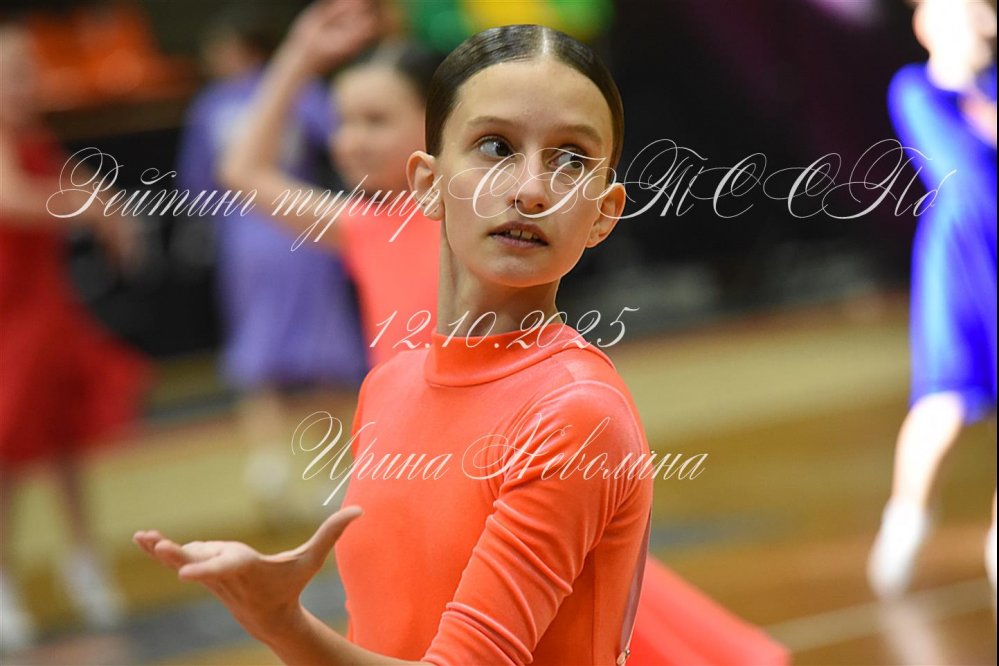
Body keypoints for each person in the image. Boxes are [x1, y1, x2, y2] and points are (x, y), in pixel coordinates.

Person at [135, 3, 654, 663]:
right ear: (427, 182)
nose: (530, 189)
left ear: (605, 212)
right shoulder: (386, 386)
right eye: (496, 146)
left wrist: (284, 625)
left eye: (571, 158)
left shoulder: (575, 415)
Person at [177, 4, 369, 505]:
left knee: (258, 353)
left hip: (247, 240)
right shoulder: (302, 92)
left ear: (241, 49)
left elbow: (199, 183)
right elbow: (347, 139)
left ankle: (268, 463)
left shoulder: (211, 105)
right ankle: (332, 471)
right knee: (324, 354)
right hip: (302, 226)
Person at [0, 23, 149, 652]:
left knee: (64, 444)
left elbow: (75, 184)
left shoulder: (31, 136)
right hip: (9, 317)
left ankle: (83, 561)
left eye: (29, 72)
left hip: (47, 310)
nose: (27, 83)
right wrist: (92, 211)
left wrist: (112, 209)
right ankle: (4, 581)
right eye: (14, 73)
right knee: (7, 450)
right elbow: (11, 199)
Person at [219, 3, 441, 370]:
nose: (350, 142)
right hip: (395, 407)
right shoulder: (364, 226)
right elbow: (242, 171)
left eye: (376, 121)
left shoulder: (470, 214)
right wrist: (300, 55)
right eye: (343, 122)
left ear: (439, 121)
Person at [867, 0, 997, 598]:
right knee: (945, 403)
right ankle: (907, 518)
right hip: (963, 263)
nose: (987, 26)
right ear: (928, 24)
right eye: (972, 13)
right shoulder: (916, 88)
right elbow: (961, 164)